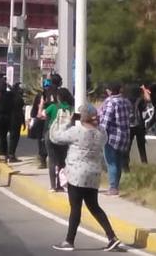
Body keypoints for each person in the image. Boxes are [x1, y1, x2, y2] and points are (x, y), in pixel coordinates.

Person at [50, 103, 123, 252]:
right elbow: (101, 134)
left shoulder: (77, 131)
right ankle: (112, 237)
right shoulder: (101, 132)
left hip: (77, 174)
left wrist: (67, 122)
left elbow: (56, 137)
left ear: (82, 117)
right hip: (94, 174)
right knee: (94, 206)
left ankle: (69, 241)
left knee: (75, 207)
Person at [98, 82, 133, 196]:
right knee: (118, 162)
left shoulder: (110, 103)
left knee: (111, 163)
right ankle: (116, 186)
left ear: (109, 91)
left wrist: (98, 134)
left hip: (112, 137)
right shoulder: (126, 101)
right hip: (124, 136)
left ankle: (113, 188)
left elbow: (105, 122)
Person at [42, 87, 74, 192]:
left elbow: (41, 115)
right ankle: (61, 184)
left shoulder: (53, 107)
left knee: (52, 160)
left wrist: (41, 105)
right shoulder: (71, 108)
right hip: (64, 136)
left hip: (51, 135)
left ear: (58, 97)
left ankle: (53, 186)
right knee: (62, 161)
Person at [29, 79, 55, 169]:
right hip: (47, 120)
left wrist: (33, 116)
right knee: (43, 139)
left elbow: (34, 110)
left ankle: (43, 160)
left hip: (43, 120)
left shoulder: (41, 95)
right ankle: (43, 160)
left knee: (42, 140)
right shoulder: (52, 95)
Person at [129, 85, 149, 165]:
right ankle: (144, 163)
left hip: (129, 125)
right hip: (139, 125)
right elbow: (148, 99)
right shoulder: (140, 100)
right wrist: (144, 89)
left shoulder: (127, 100)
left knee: (128, 146)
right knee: (141, 146)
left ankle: (125, 164)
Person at [7, 83, 25, 162]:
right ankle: (11, 155)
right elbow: (20, 111)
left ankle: (9, 154)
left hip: (9, 119)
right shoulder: (19, 99)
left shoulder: (10, 97)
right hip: (16, 120)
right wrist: (23, 122)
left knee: (12, 138)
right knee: (14, 138)